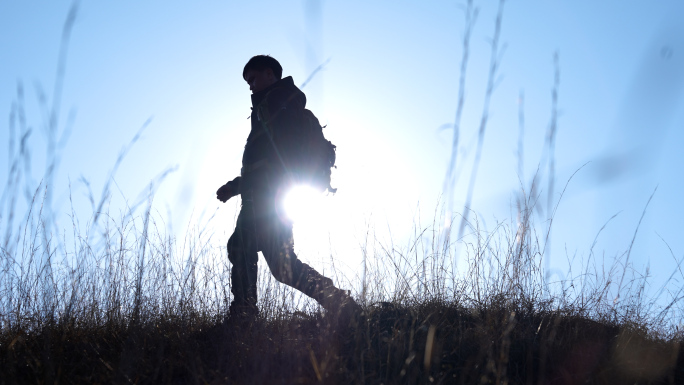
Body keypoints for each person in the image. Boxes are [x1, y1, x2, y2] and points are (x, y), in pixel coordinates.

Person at [216, 55, 360, 326]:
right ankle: (342, 304)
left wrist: (242, 186)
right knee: (283, 267)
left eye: (254, 78)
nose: (250, 86)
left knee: (243, 246)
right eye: (248, 82)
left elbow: (275, 159)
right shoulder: (271, 108)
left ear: (270, 74)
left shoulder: (278, 106)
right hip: (270, 195)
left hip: (268, 196)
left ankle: (243, 316)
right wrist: (237, 187)